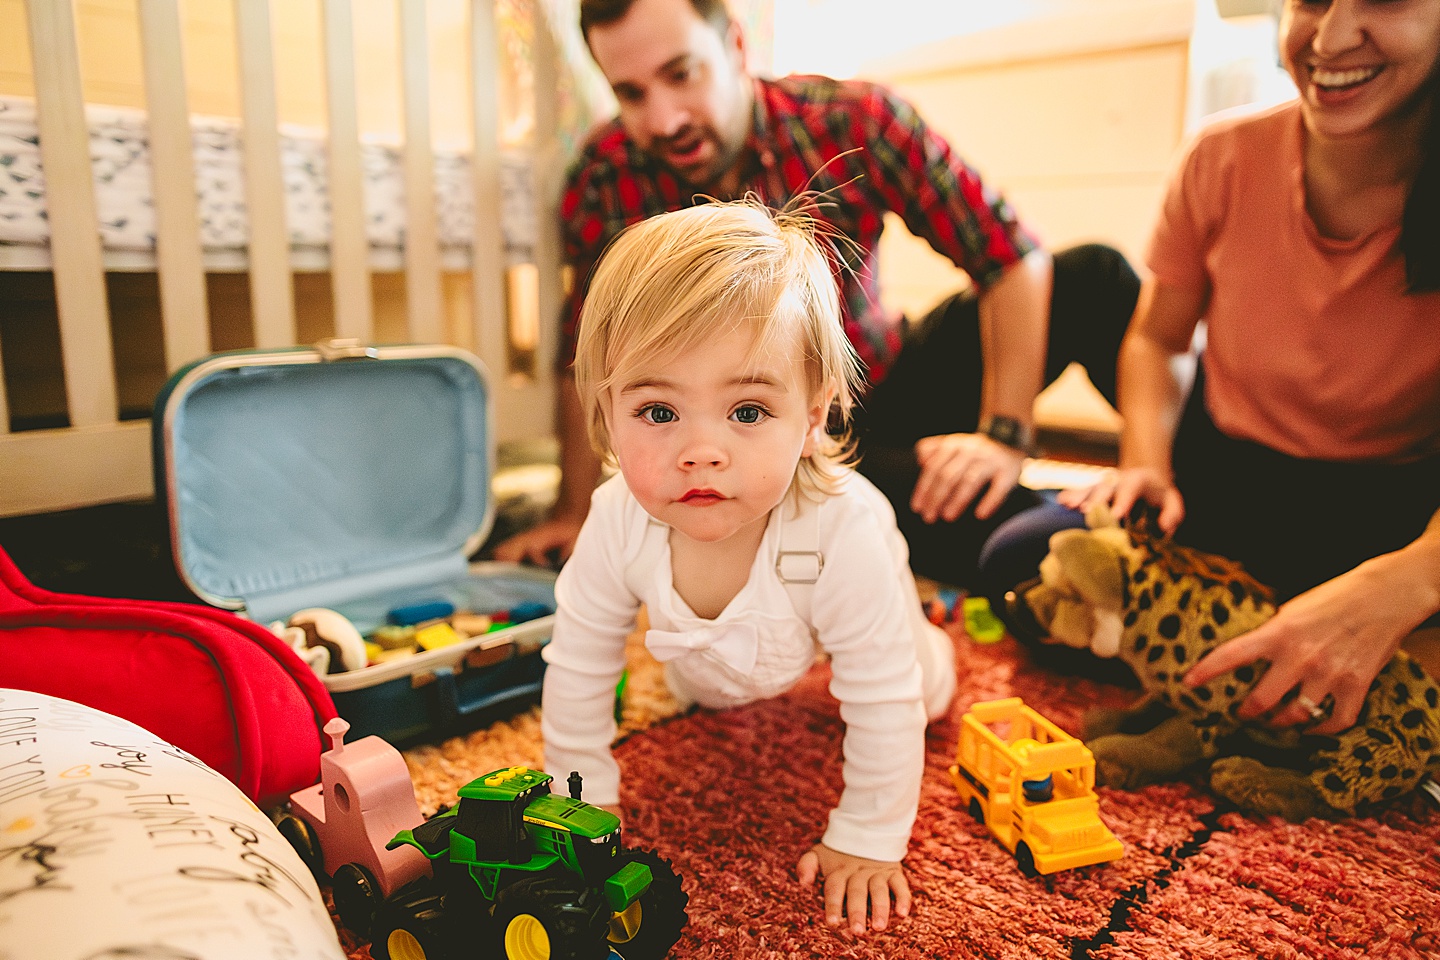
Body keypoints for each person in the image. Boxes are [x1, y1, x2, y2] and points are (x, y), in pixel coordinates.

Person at [493, 0, 1141, 588]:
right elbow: (586, 355)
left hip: (881, 375)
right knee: (962, 533)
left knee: (1094, 276)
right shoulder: (607, 179)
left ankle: (1192, 487)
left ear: (737, 48)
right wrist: (574, 512)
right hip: (773, 444)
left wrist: (1004, 434)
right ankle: (1069, 536)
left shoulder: (853, 120)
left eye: (682, 74)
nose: (664, 119)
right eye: (630, 94)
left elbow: (1008, 254)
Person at [983, 0, 1440, 735]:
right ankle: (1293, 663)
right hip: (1227, 472)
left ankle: (1296, 649)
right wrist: (1147, 466)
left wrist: (1398, 586)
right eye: (1312, 1)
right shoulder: (1223, 156)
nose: (1329, 38)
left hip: (1392, 511)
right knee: (1023, 568)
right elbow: (1158, 341)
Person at [540, 200, 957, 934]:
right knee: (704, 683)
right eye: (659, 413)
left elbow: (883, 699)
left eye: (749, 411)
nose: (702, 451)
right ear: (605, 415)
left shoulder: (842, 530)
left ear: (814, 415)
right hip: (717, 659)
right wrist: (582, 793)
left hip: (861, 617)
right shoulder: (615, 519)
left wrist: (867, 836)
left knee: (918, 689)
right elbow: (579, 661)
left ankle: (936, 646)